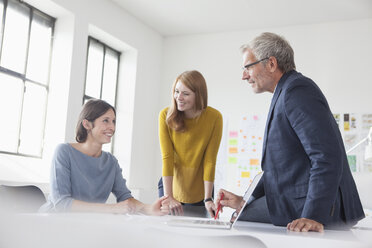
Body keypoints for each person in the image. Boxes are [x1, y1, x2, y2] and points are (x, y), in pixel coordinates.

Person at [216, 32, 364, 232]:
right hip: (291, 200)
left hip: (314, 207)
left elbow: (326, 156)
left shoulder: (297, 90)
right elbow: (280, 170)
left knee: (241, 222)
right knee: (241, 215)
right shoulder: (285, 92)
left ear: (271, 64)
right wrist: (246, 201)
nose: (244, 75)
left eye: (248, 67)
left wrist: (312, 216)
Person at [40, 99, 168, 215]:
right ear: (87, 124)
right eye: (105, 120)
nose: (112, 127)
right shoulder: (64, 152)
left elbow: (125, 198)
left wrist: (149, 208)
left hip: (86, 225)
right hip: (52, 222)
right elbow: (61, 203)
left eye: (113, 121)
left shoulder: (111, 162)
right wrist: (113, 208)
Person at [158, 70, 223, 218]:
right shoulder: (165, 115)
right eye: (176, 91)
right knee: (170, 231)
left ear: (198, 95)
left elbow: (210, 160)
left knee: (196, 234)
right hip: (171, 185)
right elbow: (167, 157)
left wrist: (207, 198)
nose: (178, 98)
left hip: (201, 189)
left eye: (185, 94)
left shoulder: (215, 118)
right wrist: (169, 197)